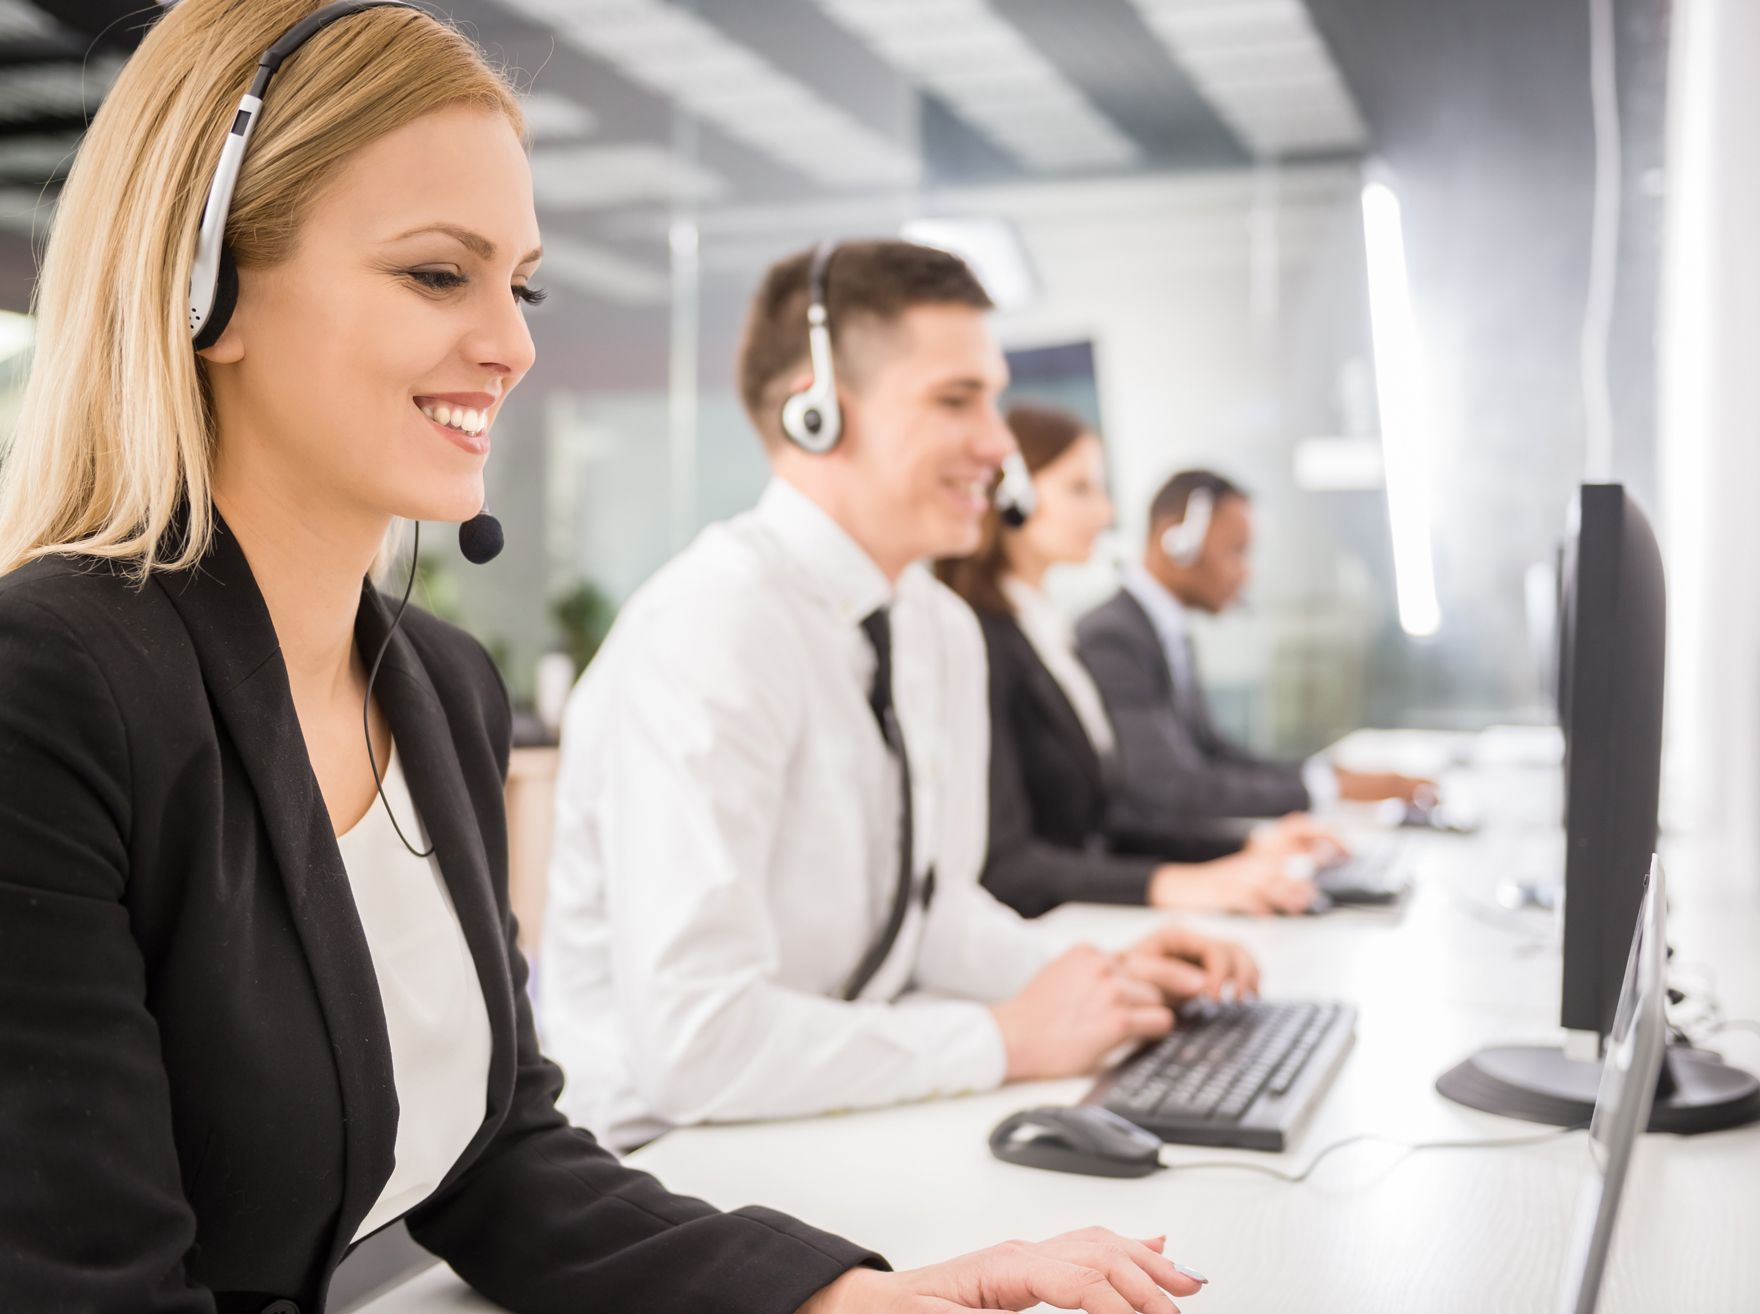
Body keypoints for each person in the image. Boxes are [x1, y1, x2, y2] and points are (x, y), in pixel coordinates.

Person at [0, 4, 1209, 1312]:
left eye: (522, 281)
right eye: (440, 271)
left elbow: (498, 1156)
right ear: (207, 287)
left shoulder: (434, 686)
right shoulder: (15, 710)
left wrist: (840, 1289)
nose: (511, 342)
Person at [539, 238, 1259, 1161]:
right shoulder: (713, 629)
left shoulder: (933, 624)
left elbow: (929, 915)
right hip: (665, 1161)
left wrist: (1102, 979)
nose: (1000, 446)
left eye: (992, 399)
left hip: (835, 1114)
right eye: (956, 400)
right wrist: (1003, 1040)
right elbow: (698, 1047)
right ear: (816, 410)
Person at [936, 406, 1337, 919]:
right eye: (1080, 489)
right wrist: (1176, 884)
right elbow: (1008, 864)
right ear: (1011, 494)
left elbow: (1108, 818)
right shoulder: (980, 640)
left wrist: (1244, 846)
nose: (1105, 514)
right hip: (1038, 932)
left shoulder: (1046, 632)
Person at [1077, 469, 1431, 824]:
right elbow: (1171, 788)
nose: (1246, 573)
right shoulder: (1113, 638)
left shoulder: (1167, 631)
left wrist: (1326, 777)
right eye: (1236, 551)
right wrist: (1328, 790)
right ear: (1177, 540)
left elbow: (1216, 755)